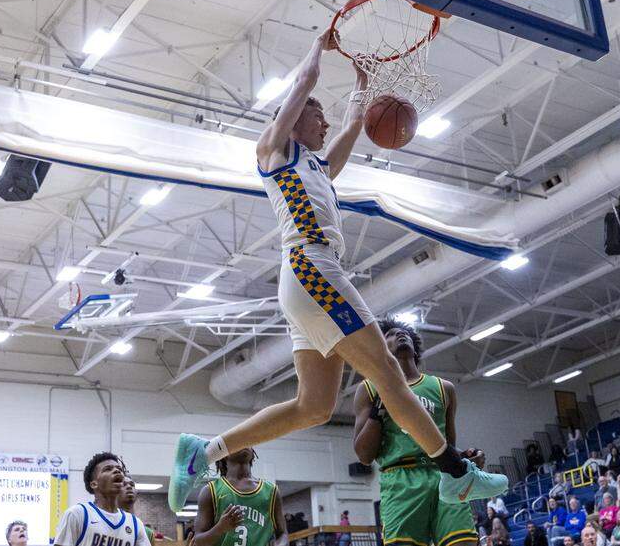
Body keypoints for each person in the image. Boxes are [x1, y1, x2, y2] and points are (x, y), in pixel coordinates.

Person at [169, 32, 506, 511]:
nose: (325, 123)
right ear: (294, 117)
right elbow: (304, 81)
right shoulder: (274, 152)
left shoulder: (318, 168)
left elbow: (352, 124)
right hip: (313, 268)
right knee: (387, 371)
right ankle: (455, 471)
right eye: (316, 114)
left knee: (314, 407)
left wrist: (362, 81)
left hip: (309, 279)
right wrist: (317, 46)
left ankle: (203, 452)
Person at [353, 321, 482, 546]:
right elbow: (364, 454)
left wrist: (468, 455)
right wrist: (379, 411)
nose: (401, 335)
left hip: (444, 474)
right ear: (380, 348)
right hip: (400, 478)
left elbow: (448, 446)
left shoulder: (444, 388)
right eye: (391, 335)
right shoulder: (370, 388)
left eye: (404, 333)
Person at [194, 448, 286, 546]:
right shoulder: (210, 491)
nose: (244, 445)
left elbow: (283, 533)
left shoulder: (271, 491)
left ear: (253, 454)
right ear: (224, 455)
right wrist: (220, 528)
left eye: (248, 443)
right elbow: (199, 541)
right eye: (238, 442)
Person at [55, 452, 148, 546]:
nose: (117, 471)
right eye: (108, 469)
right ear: (94, 484)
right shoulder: (77, 514)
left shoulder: (135, 524)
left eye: (119, 469)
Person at [119, 477, 155, 546]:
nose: (129, 486)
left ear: (137, 493)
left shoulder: (148, 532)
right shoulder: (105, 526)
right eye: (124, 484)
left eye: (132, 485)